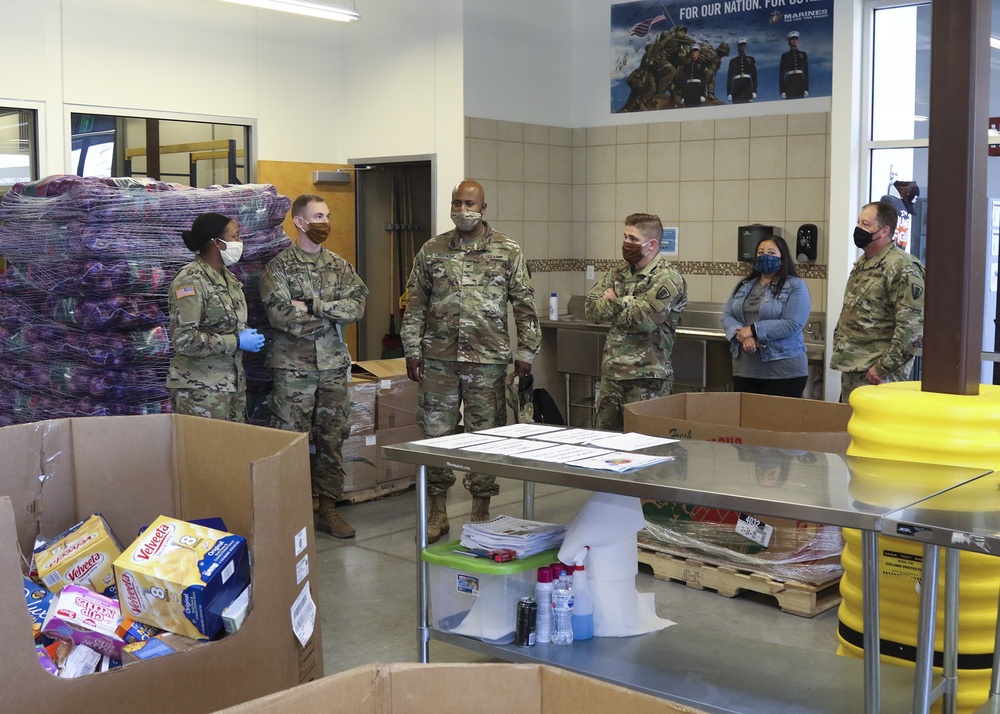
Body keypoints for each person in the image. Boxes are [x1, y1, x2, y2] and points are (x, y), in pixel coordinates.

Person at [401, 179, 540, 543]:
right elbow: (415, 303)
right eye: (457, 203)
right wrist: (412, 349)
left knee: (486, 437)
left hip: (487, 361)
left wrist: (525, 354)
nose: (462, 210)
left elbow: (525, 307)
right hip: (438, 360)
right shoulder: (432, 250)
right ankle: (438, 512)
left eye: (469, 204)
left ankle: (480, 511)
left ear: (483, 208)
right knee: (435, 435)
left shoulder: (507, 250)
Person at [258, 194, 369, 539]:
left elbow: (358, 307)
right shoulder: (278, 268)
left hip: (333, 367)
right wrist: (328, 312)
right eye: (318, 216)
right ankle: (290, 511)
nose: (325, 222)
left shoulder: (339, 265)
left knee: (332, 438)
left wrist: (312, 305)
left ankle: (328, 510)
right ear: (300, 222)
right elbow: (280, 317)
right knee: (291, 441)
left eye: (328, 215)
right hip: (294, 370)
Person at [585, 212, 688, 432]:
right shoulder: (618, 272)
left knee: (646, 448)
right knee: (606, 447)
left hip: (647, 379)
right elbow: (591, 309)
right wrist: (630, 303)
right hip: (612, 375)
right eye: (625, 237)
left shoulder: (667, 278)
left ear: (651, 244)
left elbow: (643, 320)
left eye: (633, 239)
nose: (626, 244)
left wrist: (614, 300)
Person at [167, 212, 263, 422]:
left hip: (231, 384)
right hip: (200, 389)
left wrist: (243, 332)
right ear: (216, 243)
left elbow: (226, 322)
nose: (240, 242)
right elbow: (185, 340)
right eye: (235, 237)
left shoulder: (229, 278)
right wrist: (237, 341)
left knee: (230, 453)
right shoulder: (190, 281)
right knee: (203, 453)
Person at [831, 200, 926, 403]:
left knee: (875, 432)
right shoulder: (863, 263)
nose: (858, 228)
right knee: (849, 431)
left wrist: (883, 368)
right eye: (858, 222)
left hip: (878, 375)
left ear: (884, 231)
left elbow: (912, 328)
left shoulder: (902, 266)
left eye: (865, 224)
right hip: (853, 367)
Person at [721, 235, 811, 398]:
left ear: (782, 259)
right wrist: (742, 335)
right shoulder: (744, 285)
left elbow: (792, 324)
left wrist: (754, 330)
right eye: (760, 252)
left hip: (784, 371)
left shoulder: (795, 286)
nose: (765, 256)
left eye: (771, 252)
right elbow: (727, 315)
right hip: (745, 371)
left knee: (777, 422)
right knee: (747, 421)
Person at [779, 30, 809, 99]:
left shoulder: (803, 54)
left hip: (800, 82)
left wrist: (806, 88)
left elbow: (806, 72)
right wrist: (782, 90)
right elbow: (781, 74)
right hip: (789, 82)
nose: (794, 40)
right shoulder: (785, 56)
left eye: (796, 39)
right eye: (792, 39)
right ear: (789, 42)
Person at [727, 38, 758, 104]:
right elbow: (729, 77)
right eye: (741, 45)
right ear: (738, 47)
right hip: (737, 86)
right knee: (737, 106)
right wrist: (729, 92)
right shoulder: (733, 61)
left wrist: (754, 91)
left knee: (748, 107)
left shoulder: (751, 59)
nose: (742, 47)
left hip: (747, 85)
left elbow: (754, 76)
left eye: (744, 45)